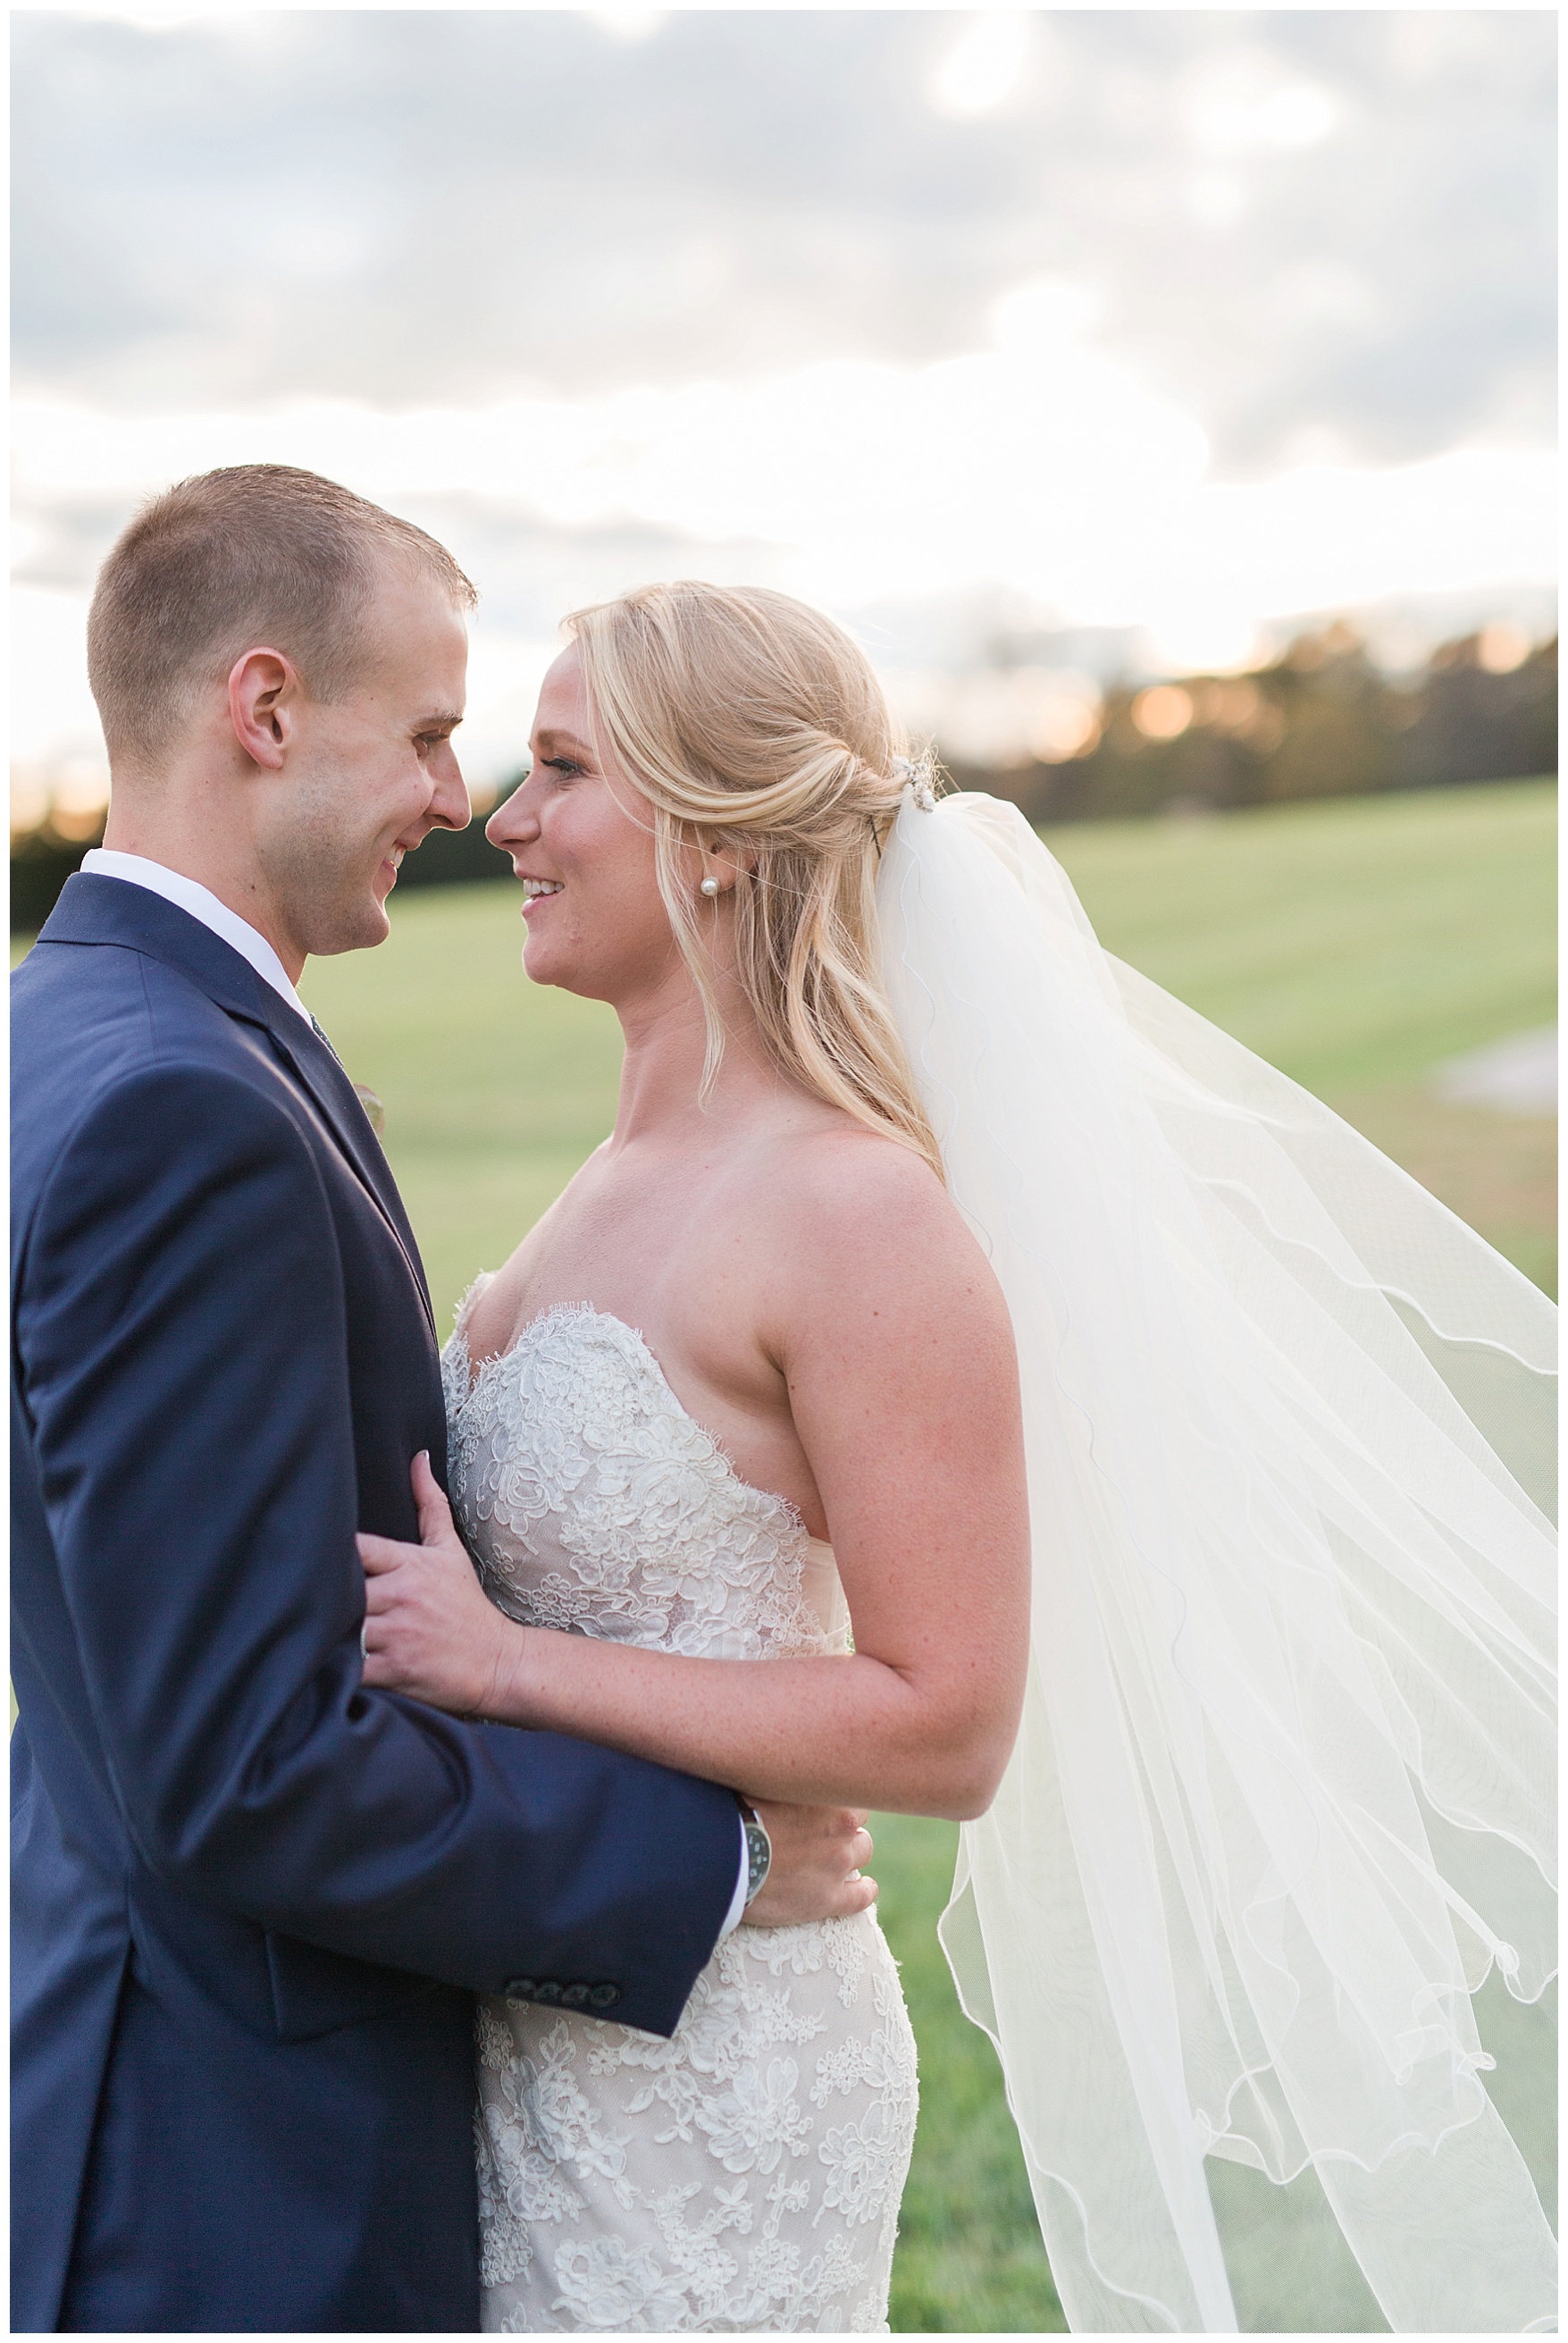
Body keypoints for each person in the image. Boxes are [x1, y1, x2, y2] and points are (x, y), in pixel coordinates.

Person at [362, 580, 1556, 2335]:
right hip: (538, 2024)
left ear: (711, 836)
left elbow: (943, 1721)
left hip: (718, 2076)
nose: (504, 817)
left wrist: (511, 1668)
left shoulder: (852, 1218)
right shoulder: (609, 1180)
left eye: (558, 769)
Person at [10, 470, 879, 2336]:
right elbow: (242, 1765)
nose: (457, 798)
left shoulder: (85, 1026)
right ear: (261, 710)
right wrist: (710, 1859)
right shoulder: (186, 1102)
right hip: (231, 2175)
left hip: (201, 2077)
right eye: (425, 732)